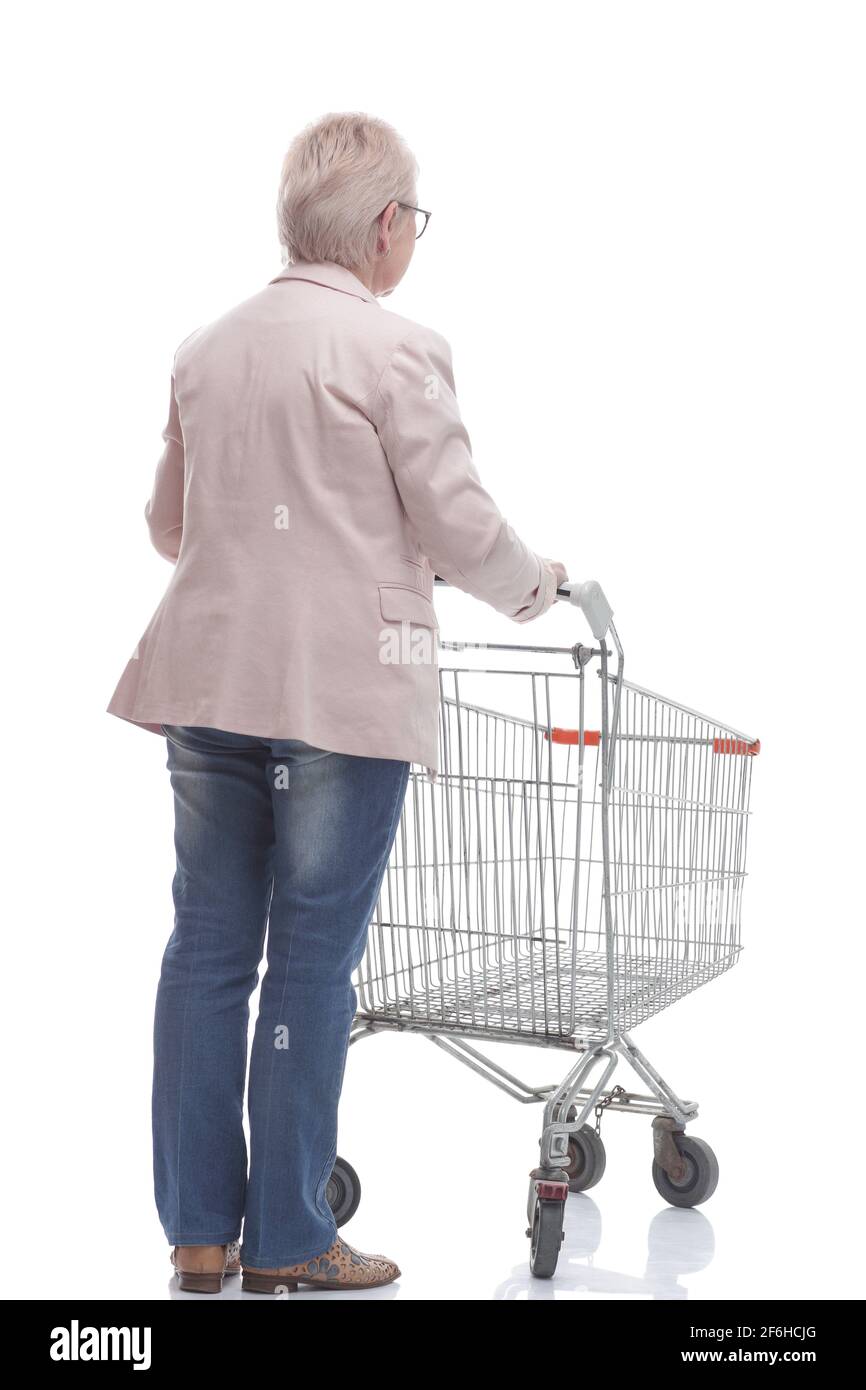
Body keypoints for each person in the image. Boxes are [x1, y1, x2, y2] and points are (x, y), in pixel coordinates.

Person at [107, 111, 566, 1294]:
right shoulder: (395, 348)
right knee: (311, 963)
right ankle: (293, 1237)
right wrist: (540, 587)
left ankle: (200, 1233)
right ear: (381, 226)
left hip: (206, 683)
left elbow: (169, 527)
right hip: (336, 698)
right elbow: (460, 529)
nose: (411, 235)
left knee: (206, 948)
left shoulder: (205, 346)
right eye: (412, 215)